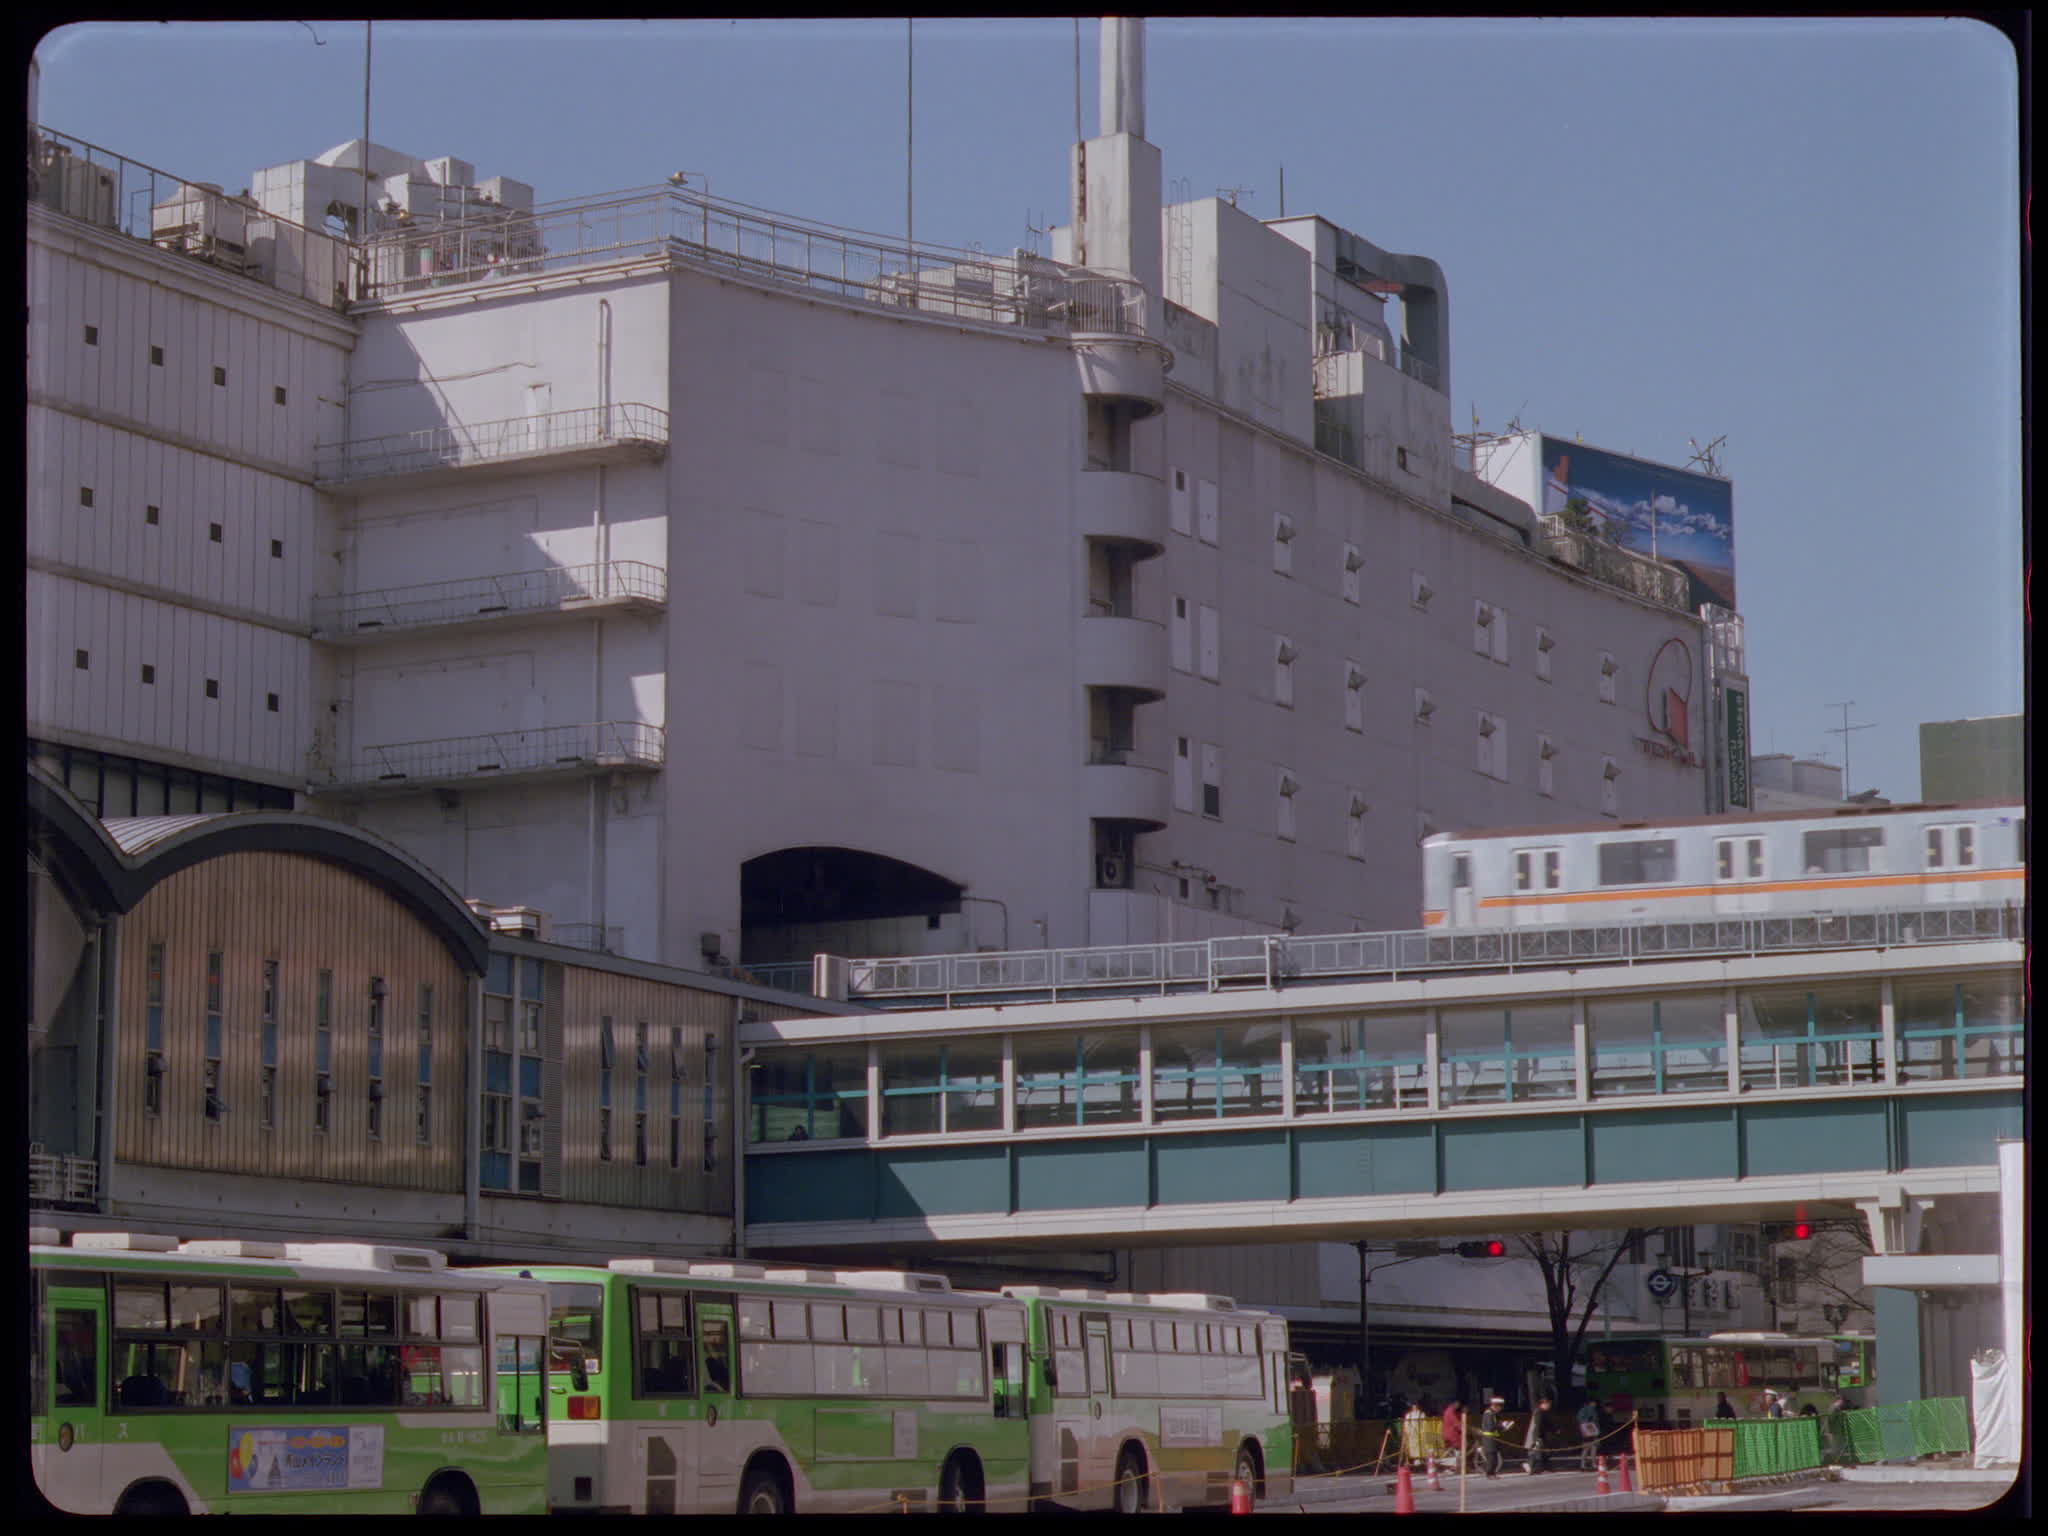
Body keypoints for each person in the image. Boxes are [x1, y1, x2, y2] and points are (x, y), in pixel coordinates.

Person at [1477, 1396, 1506, 1478]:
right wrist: (1501, 1426)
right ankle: (1490, 1473)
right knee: (1491, 1457)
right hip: (1489, 1439)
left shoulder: (1494, 1414)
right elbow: (1491, 1426)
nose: (1500, 1409)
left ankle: (1492, 1473)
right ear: (1495, 1406)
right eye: (1500, 1407)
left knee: (1494, 1457)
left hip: (1493, 1438)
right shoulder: (1489, 1414)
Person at [1524, 1395, 1553, 1475]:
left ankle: (1543, 1468)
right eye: (1548, 1404)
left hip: (1540, 1436)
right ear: (1542, 1404)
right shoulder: (1539, 1412)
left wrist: (1555, 1430)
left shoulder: (1543, 1412)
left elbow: (1547, 1424)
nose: (1549, 1406)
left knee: (1542, 1452)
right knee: (1536, 1453)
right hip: (1536, 1436)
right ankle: (1531, 1467)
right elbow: (1537, 1426)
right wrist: (1536, 1438)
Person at [1576, 1396, 1603, 1470]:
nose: (1595, 1404)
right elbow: (1594, 1422)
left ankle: (1583, 1464)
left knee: (1586, 1449)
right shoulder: (1591, 1410)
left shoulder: (1582, 1410)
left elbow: (1579, 1420)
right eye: (1594, 1403)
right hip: (1592, 1431)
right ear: (1591, 1403)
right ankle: (1592, 1464)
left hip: (1586, 1432)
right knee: (1592, 1448)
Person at [1440, 1396, 1465, 1476]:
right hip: (1451, 1435)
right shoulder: (1450, 1412)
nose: (1459, 1406)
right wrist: (1463, 1428)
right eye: (1458, 1404)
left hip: (1451, 1434)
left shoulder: (1451, 1411)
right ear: (1455, 1403)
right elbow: (1456, 1422)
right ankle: (1453, 1467)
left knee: (1456, 1451)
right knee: (1458, 1449)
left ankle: (1455, 1466)